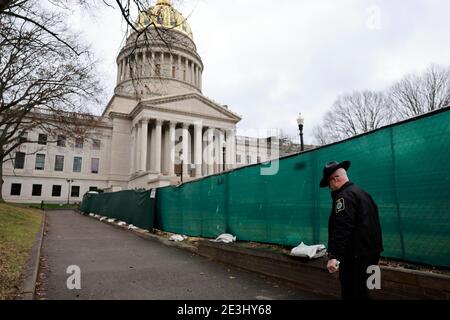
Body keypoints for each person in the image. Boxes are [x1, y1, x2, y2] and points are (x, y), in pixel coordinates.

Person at [319, 160, 383, 300]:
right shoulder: (363, 193)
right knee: (362, 291)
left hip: (355, 256)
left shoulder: (344, 197)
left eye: (329, 184)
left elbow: (342, 228)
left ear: (335, 179)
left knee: (351, 292)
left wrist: (333, 256)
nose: (330, 188)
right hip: (371, 253)